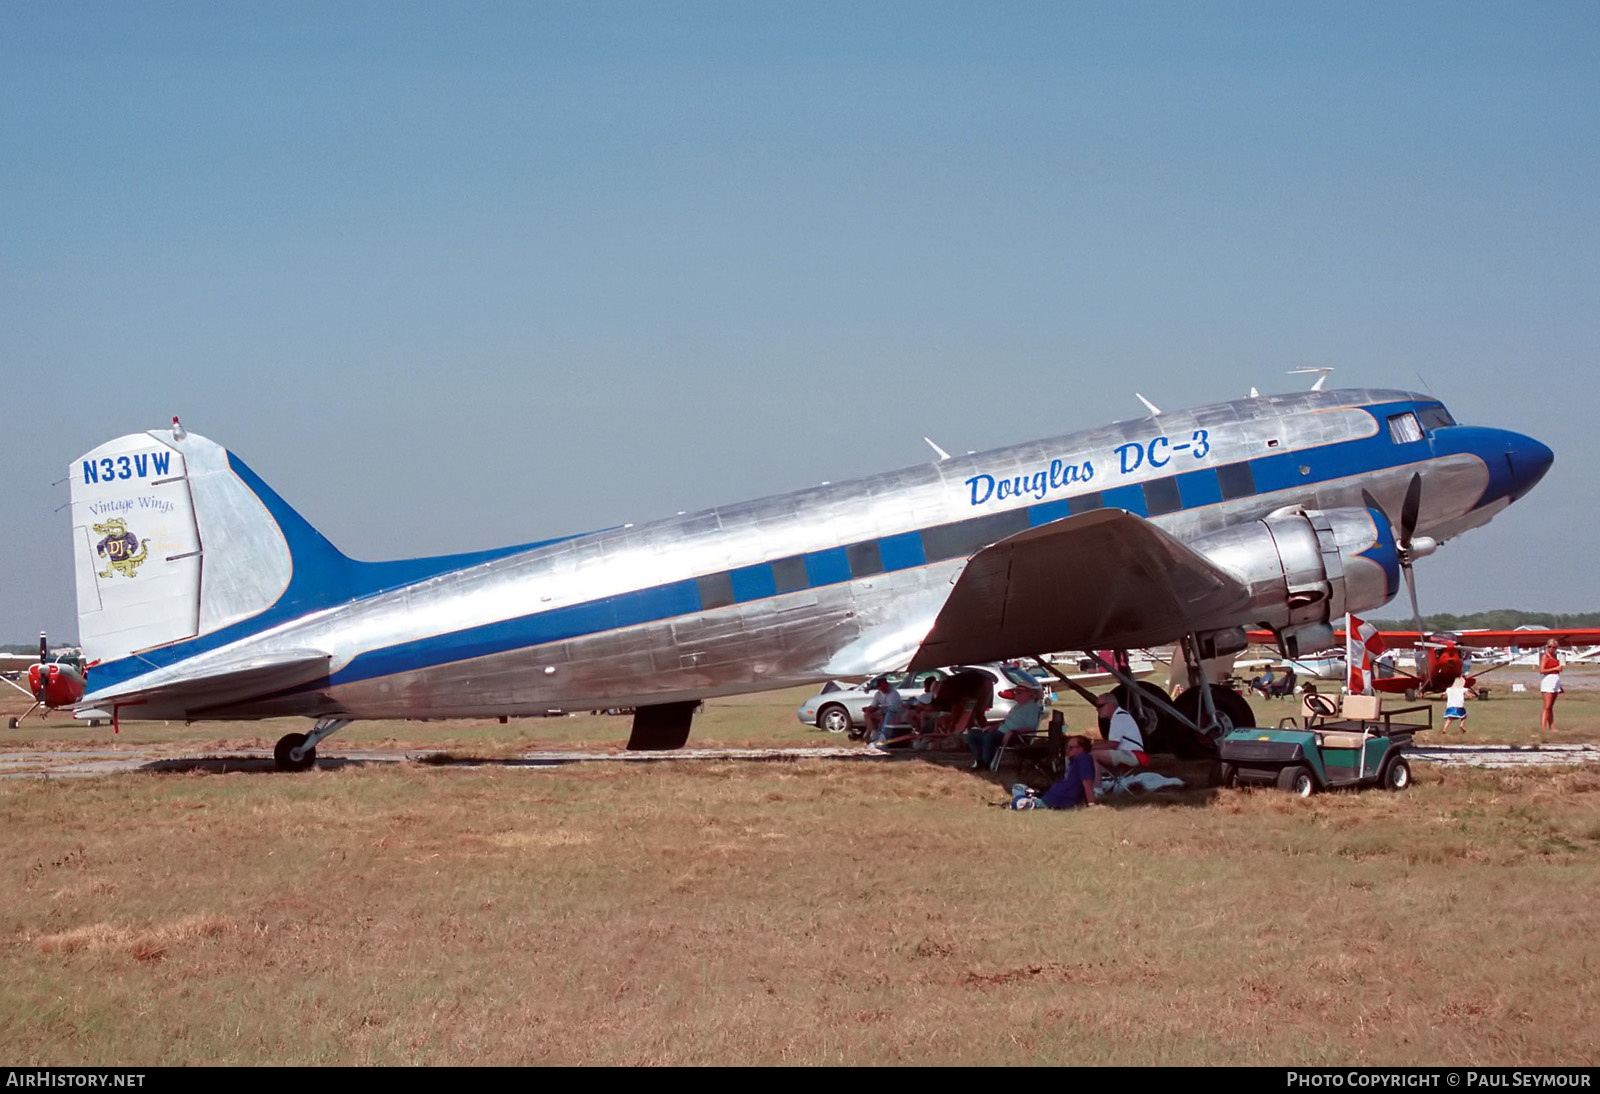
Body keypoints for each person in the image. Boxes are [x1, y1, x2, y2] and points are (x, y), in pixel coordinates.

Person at [967, 685, 1043, 770]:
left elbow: (1030, 727)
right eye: (1015, 692)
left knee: (989, 737)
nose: (1016, 694)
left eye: (1019, 692)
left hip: (1017, 736)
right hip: (1003, 731)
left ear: (1029, 694)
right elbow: (1005, 721)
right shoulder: (1017, 706)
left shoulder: (1033, 708)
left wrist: (1013, 732)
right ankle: (979, 761)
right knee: (973, 733)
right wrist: (993, 726)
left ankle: (986, 764)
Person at [1091, 692, 1148, 783]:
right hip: (1133, 754)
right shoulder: (1120, 716)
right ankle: (1104, 778)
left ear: (1111, 705)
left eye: (1100, 706)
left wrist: (1089, 747)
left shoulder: (1118, 718)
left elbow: (1112, 744)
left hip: (1132, 755)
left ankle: (1100, 784)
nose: (1097, 709)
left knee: (1090, 755)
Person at [1035, 734, 1100, 809]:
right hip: (1053, 798)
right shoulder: (1075, 761)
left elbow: (1087, 783)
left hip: (1057, 800)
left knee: (1020, 795)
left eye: (1070, 748)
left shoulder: (1083, 758)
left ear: (1081, 748)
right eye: (1066, 748)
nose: (1067, 750)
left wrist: (1091, 804)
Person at [863, 677, 906, 745]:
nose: (884, 688)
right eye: (882, 686)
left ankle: (880, 736)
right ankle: (874, 733)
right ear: (879, 687)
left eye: (885, 685)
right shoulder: (878, 694)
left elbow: (892, 708)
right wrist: (869, 708)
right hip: (883, 712)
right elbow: (874, 705)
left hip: (894, 714)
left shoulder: (893, 693)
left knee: (882, 717)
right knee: (867, 714)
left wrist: (878, 708)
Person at [1539, 639, 1562, 734]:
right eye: (1549, 647)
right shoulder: (1545, 656)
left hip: (1555, 679)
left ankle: (1551, 725)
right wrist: (1555, 668)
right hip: (1548, 680)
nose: (1551, 649)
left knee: (1551, 706)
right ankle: (1543, 727)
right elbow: (1541, 670)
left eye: (1554, 647)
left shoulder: (1556, 656)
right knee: (1547, 706)